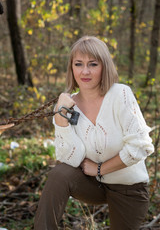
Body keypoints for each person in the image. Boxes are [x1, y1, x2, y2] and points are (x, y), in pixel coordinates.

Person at [34, 36, 154, 230]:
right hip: (93, 186)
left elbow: (140, 146)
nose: (85, 71)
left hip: (129, 189)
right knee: (60, 173)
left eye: (93, 64)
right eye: (79, 64)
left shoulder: (120, 94)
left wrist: (100, 168)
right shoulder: (67, 105)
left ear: (104, 67)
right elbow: (68, 159)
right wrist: (60, 120)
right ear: (71, 68)